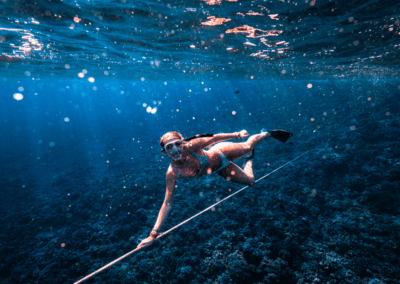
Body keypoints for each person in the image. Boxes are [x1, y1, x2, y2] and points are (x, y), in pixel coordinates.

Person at [137, 128, 288, 249]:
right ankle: (249, 159)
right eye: (170, 147)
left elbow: (215, 138)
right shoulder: (172, 174)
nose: (176, 150)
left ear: (183, 143)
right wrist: (153, 234)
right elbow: (167, 203)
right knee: (251, 181)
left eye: (178, 144)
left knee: (248, 145)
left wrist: (236, 135)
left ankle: (267, 133)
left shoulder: (193, 145)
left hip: (222, 152)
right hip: (220, 169)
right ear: (164, 152)